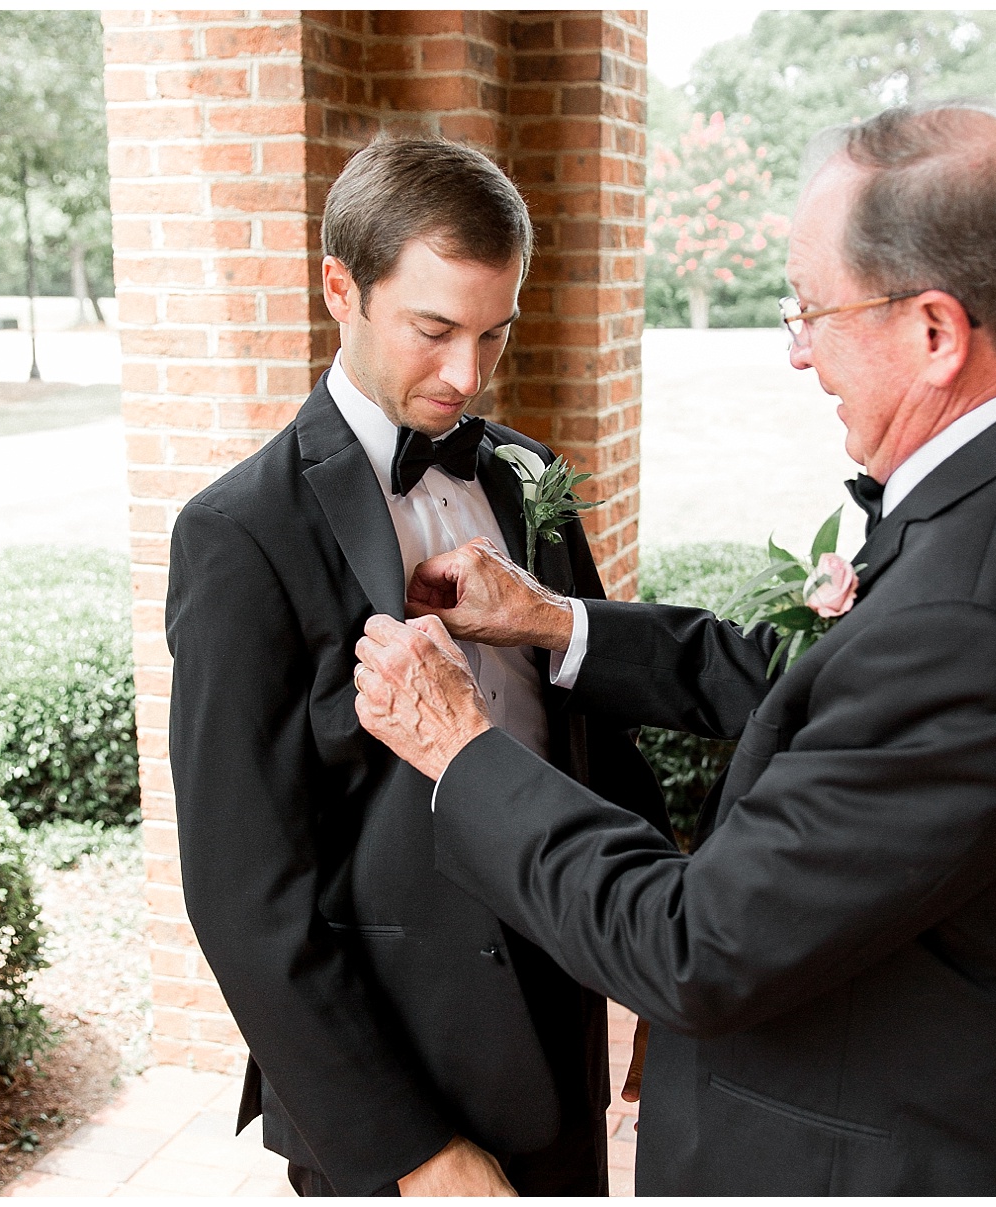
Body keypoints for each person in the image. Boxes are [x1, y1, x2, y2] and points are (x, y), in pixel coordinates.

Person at [351, 102, 996, 1194]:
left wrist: (460, 747)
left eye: (813, 309)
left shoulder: (979, 614)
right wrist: (558, 621)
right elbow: (832, 693)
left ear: (937, 332)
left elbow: (692, 946)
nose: (799, 351)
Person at [164, 137, 668, 1197]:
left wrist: (661, 978)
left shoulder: (527, 476)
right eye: (434, 331)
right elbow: (243, 895)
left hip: (562, 1034)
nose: (467, 376)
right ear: (339, 289)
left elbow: (601, 734)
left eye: (494, 332)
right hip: (389, 1085)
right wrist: (414, 1152)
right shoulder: (239, 534)